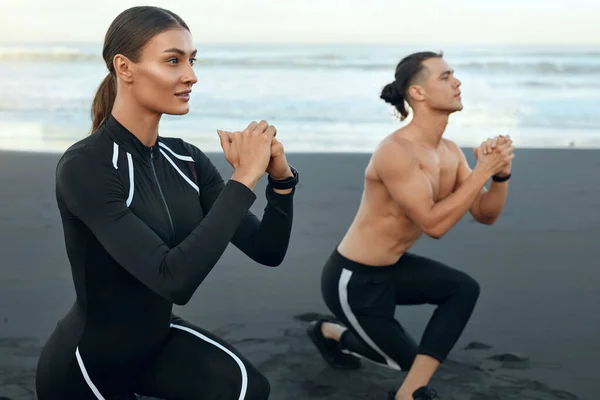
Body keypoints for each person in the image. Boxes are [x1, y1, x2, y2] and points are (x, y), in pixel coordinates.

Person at [35, 6, 299, 400]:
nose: (191, 75)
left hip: (156, 344)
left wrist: (280, 182)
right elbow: (173, 278)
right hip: (88, 367)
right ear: (124, 67)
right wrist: (243, 178)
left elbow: (267, 249)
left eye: (192, 60)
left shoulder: (187, 160)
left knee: (248, 391)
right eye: (173, 61)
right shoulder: (85, 166)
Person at [306, 51, 514, 400]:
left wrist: (501, 174)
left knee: (463, 289)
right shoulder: (396, 151)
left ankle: (409, 394)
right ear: (417, 93)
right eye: (445, 77)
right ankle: (328, 331)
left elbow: (485, 213)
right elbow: (433, 224)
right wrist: (483, 171)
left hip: (394, 269)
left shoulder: (450, 152)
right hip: (354, 279)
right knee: (400, 361)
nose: (457, 81)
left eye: (454, 75)